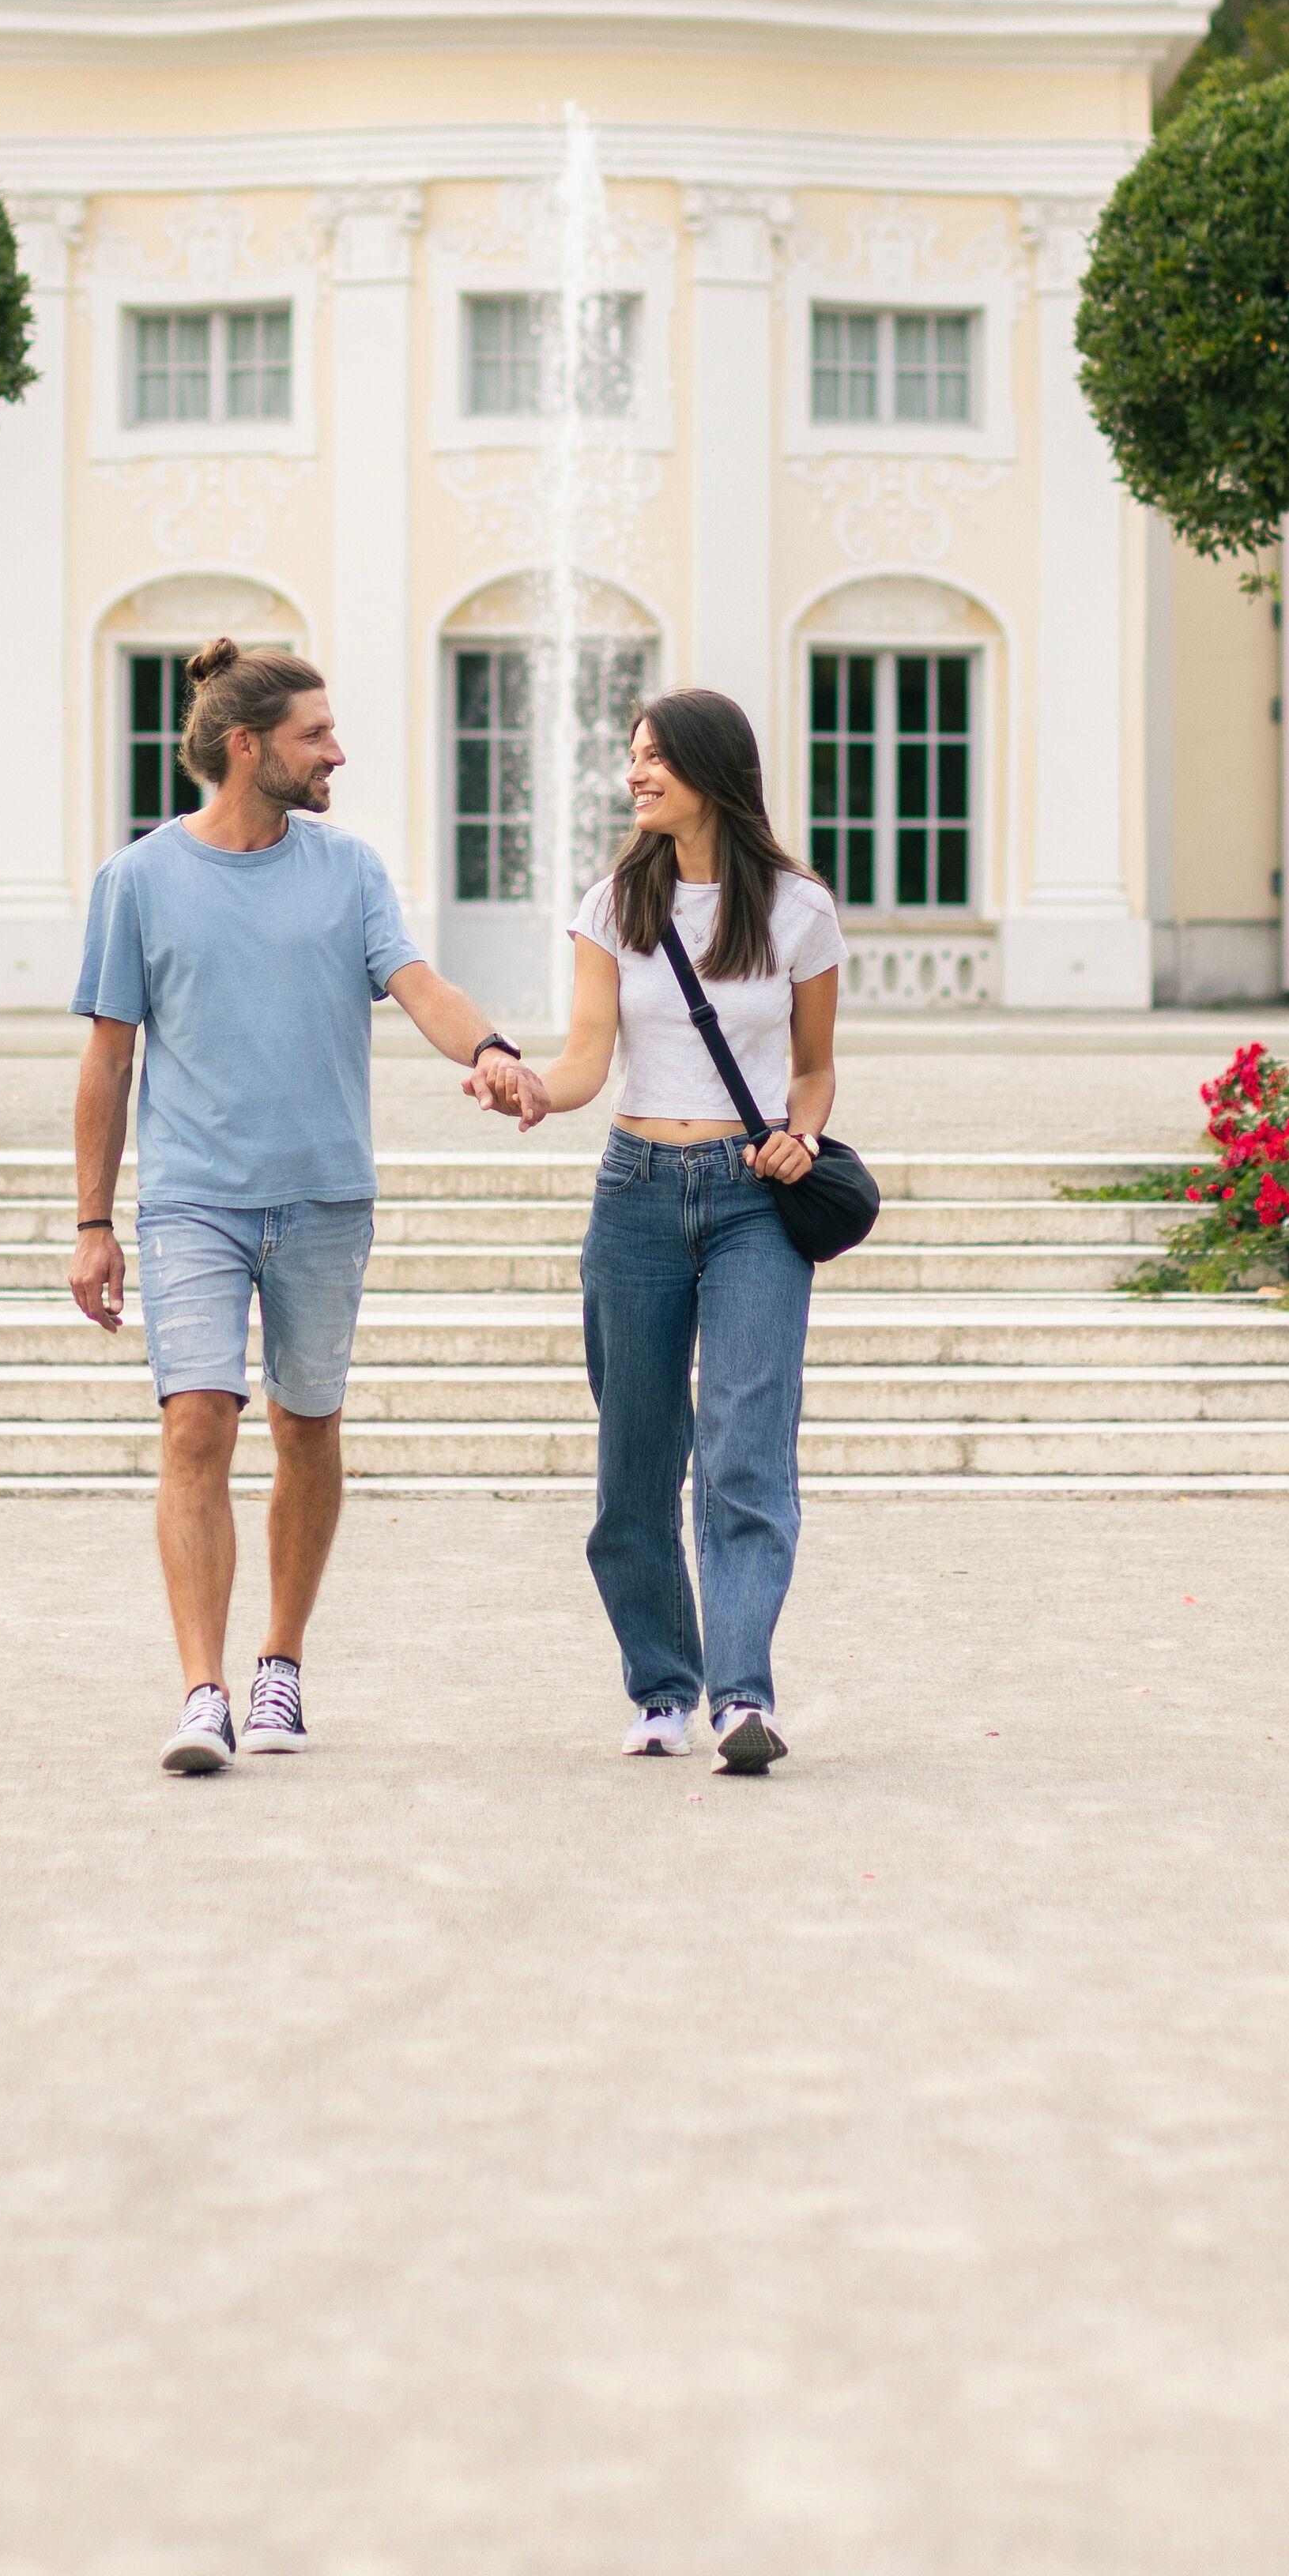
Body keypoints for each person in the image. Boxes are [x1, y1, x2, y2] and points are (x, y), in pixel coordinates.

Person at [69, 638, 547, 1776]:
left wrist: (488, 1049)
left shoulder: (349, 869)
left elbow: (417, 983)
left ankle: (279, 1660)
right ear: (247, 746)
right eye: (315, 734)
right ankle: (203, 1690)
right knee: (196, 1419)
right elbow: (108, 1059)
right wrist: (92, 1223)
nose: (337, 752)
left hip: (325, 1195)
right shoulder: (137, 879)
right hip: (193, 1198)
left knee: (307, 1425)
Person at [530, 688, 840, 1771]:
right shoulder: (615, 902)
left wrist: (803, 1134)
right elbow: (586, 1058)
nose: (636, 772)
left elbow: (812, 1067)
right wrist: (533, 1089)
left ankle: (741, 1694)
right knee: (635, 1461)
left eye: (656, 755)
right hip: (637, 1193)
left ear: (713, 768)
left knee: (745, 1451)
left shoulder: (799, 909)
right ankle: (661, 1686)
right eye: (632, 754)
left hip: (754, 1198)